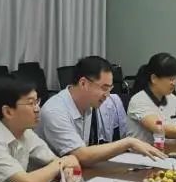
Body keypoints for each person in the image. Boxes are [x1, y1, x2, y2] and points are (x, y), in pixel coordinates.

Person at [36, 55, 166, 165]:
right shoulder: (55, 111)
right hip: (46, 181)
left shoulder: (88, 104)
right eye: (104, 88)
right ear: (83, 83)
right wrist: (128, 142)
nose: (107, 95)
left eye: (110, 89)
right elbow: (81, 155)